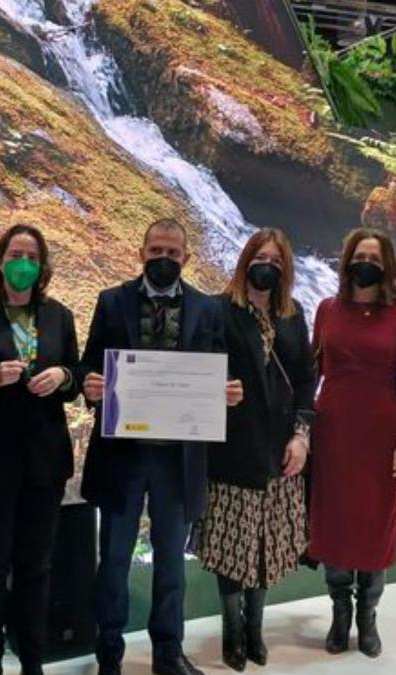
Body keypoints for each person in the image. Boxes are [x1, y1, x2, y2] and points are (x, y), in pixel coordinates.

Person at [79, 218, 243, 675]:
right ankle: (108, 652)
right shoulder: (111, 302)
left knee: (171, 562)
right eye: (156, 251)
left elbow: (215, 372)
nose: (163, 260)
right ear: (141, 252)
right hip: (122, 457)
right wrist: (90, 383)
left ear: (186, 258)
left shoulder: (208, 310)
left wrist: (226, 394)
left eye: (172, 253)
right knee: (113, 560)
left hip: (179, 459)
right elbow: (91, 363)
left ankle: (167, 653)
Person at [197, 229, 315, 671]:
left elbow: (306, 378)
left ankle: (255, 628)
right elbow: (197, 370)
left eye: (277, 261)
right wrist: (214, 391)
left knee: (266, 544)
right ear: (246, 260)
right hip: (231, 451)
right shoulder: (217, 310)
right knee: (232, 545)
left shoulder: (293, 314)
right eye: (261, 257)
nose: (268, 265)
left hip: (280, 452)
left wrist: (302, 435)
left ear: (285, 270)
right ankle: (231, 629)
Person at [308, 226, 396, 659]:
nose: (367, 264)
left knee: (375, 523)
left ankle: (367, 616)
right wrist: (299, 428)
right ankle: (339, 612)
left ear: (387, 265)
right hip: (332, 429)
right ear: (347, 261)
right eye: (360, 256)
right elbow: (312, 371)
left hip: (379, 434)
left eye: (375, 258)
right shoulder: (326, 309)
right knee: (333, 520)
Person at [0, 224, 81, 675]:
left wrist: (63, 377)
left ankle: (32, 657)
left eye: (33, 257)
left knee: (36, 564)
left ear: (42, 266)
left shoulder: (59, 315)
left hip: (45, 459)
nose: (24, 264)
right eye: (16, 254)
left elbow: (76, 375)